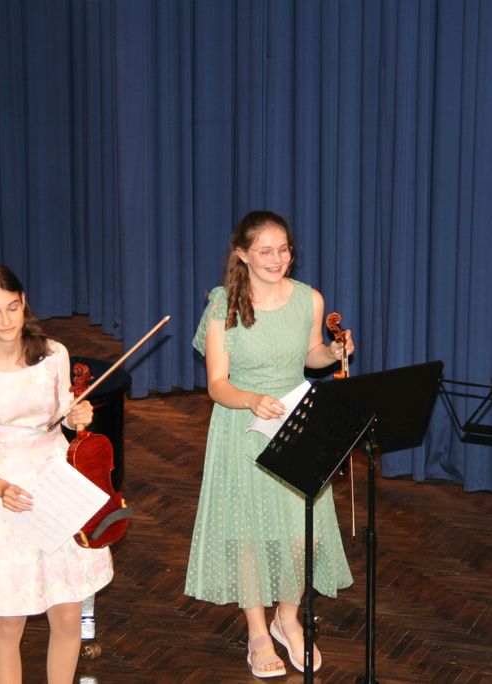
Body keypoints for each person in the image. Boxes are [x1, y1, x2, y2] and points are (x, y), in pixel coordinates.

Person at [185, 210, 355, 677]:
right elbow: (217, 384)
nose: (277, 259)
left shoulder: (309, 299)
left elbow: (309, 355)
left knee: (303, 532)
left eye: (283, 250)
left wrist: (332, 352)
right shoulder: (223, 304)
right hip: (242, 422)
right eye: (265, 251)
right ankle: (258, 632)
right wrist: (252, 400)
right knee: (250, 534)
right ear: (242, 254)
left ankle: (288, 617)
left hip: (296, 419)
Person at [0, 264, 113, 684]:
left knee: (68, 612)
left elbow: (63, 415)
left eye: (13, 307)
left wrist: (78, 416)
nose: (6, 321)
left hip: (57, 482)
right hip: (7, 493)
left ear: (24, 303)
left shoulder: (54, 354)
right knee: (8, 620)